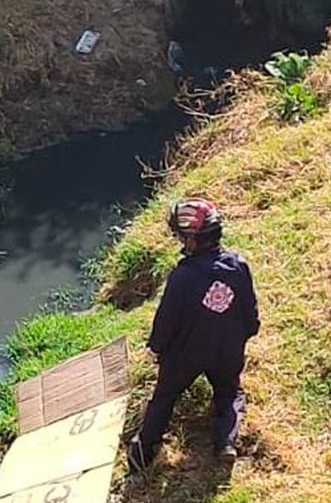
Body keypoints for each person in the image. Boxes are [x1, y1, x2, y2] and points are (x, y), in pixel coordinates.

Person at [127, 198, 260, 472]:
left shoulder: (183, 276)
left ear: (190, 240)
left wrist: (155, 348)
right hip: (226, 348)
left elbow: (167, 319)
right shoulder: (239, 266)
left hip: (185, 355)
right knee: (230, 392)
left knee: (164, 396)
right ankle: (225, 442)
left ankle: (141, 452)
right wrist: (241, 337)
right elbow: (251, 315)